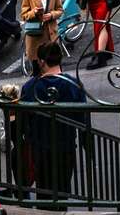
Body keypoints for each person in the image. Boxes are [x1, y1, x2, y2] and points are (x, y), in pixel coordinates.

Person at [19, 41, 89, 201]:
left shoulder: (30, 87)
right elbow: (83, 119)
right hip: (65, 146)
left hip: (40, 147)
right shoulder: (74, 85)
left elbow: (23, 120)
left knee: (43, 191)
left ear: (41, 61)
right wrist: (86, 144)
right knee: (62, 190)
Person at [18, 0, 62, 77]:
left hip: (50, 33)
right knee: (37, 66)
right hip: (36, 36)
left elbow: (60, 10)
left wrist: (51, 15)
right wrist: (33, 12)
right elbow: (23, 15)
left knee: (53, 62)